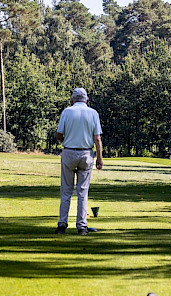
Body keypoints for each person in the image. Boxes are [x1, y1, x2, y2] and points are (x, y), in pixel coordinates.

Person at [54, 87, 103, 236]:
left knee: (66, 191)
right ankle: (82, 226)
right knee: (82, 192)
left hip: (69, 152)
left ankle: (62, 225)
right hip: (86, 153)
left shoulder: (67, 112)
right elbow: (97, 138)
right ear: (87, 100)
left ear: (72, 99)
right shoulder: (93, 113)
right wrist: (99, 158)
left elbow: (59, 134)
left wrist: (66, 140)